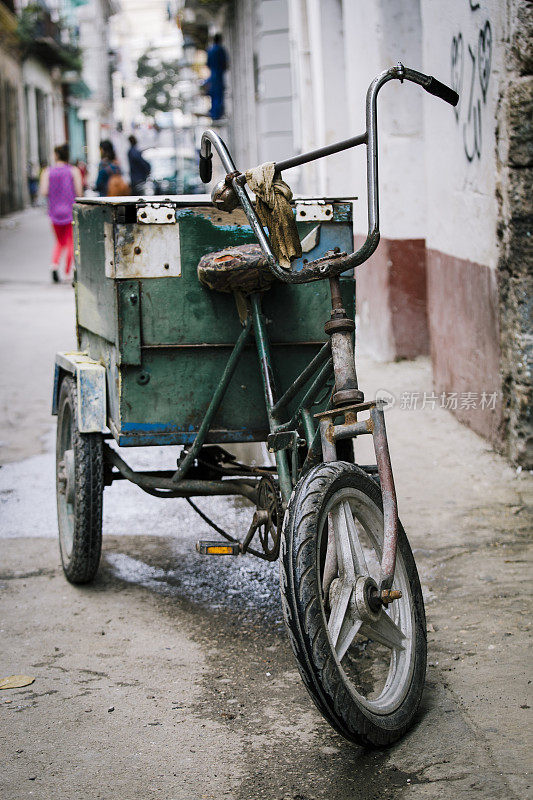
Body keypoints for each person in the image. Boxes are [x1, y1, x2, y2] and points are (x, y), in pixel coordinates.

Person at [39, 144, 82, 283]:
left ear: (56, 155)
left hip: (54, 212)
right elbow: (79, 191)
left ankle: (54, 264)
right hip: (69, 211)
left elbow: (44, 191)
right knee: (70, 241)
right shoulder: (73, 171)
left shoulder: (47, 171)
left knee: (59, 242)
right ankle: (68, 272)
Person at [206, 33, 228, 121]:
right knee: (219, 95)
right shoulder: (220, 49)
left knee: (214, 95)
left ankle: (214, 114)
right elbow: (224, 62)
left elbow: (208, 63)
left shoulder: (210, 50)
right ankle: (217, 115)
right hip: (218, 74)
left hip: (212, 75)